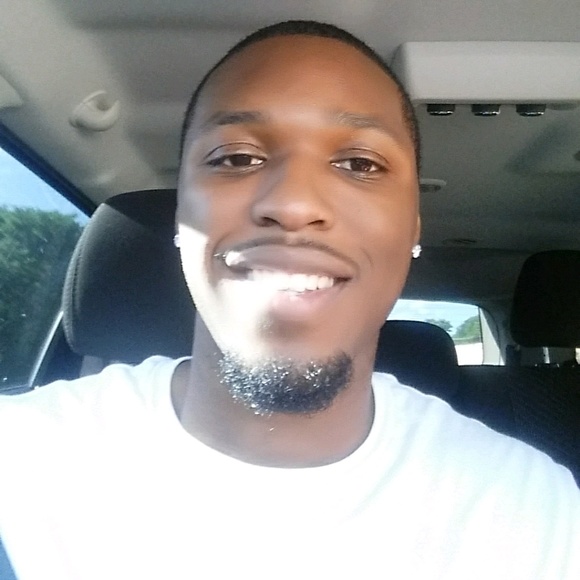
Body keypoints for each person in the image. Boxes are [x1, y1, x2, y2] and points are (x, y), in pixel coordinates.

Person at [0, 20, 579, 580]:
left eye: (360, 164)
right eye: (236, 158)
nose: (294, 204)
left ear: (412, 230)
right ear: (181, 217)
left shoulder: (531, 510)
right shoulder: (21, 459)